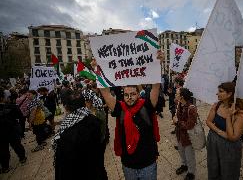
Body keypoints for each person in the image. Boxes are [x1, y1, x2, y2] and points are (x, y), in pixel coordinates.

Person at [97, 51, 164, 180]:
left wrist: (158, 65)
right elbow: (105, 92)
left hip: (148, 164)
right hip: (128, 165)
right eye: (126, 95)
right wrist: (98, 69)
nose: (129, 98)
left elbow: (155, 86)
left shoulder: (147, 106)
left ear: (138, 94)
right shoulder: (119, 108)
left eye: (133, 94)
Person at [52, 90, 107, 180]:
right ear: (84, 103)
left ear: (66, 107)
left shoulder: (65, 134)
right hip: (97, 171)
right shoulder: (95, 121)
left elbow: (63, 167)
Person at [206, 82, 243, 180]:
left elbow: (232, 137)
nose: (217, 94)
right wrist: (220, 132)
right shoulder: (217, 105)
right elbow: (208, 121)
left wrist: (228, 117)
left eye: (221, 91)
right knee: (213, 166)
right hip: (213, 142)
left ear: (230, 94)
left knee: (228, 171)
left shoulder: (241, 114)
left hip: (229, 147)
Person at [0, 87, 27, 173]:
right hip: (12, 131)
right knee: (17, 145)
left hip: (1, 134)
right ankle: (22, 158)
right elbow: (21, 118)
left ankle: (5, 167)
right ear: (2, 98)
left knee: (3, 150)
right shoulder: (12, 107)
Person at [173, 88, 198, 180]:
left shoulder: (191, 108)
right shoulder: (179, 104)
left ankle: (191, 172)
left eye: (177, 94)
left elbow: (190, 125)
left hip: (188, 137)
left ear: (182, 96)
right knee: (181, 152)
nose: (175, 95)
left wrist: (177, 122)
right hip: (180, 135)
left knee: (189, 155)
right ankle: (184, 165)